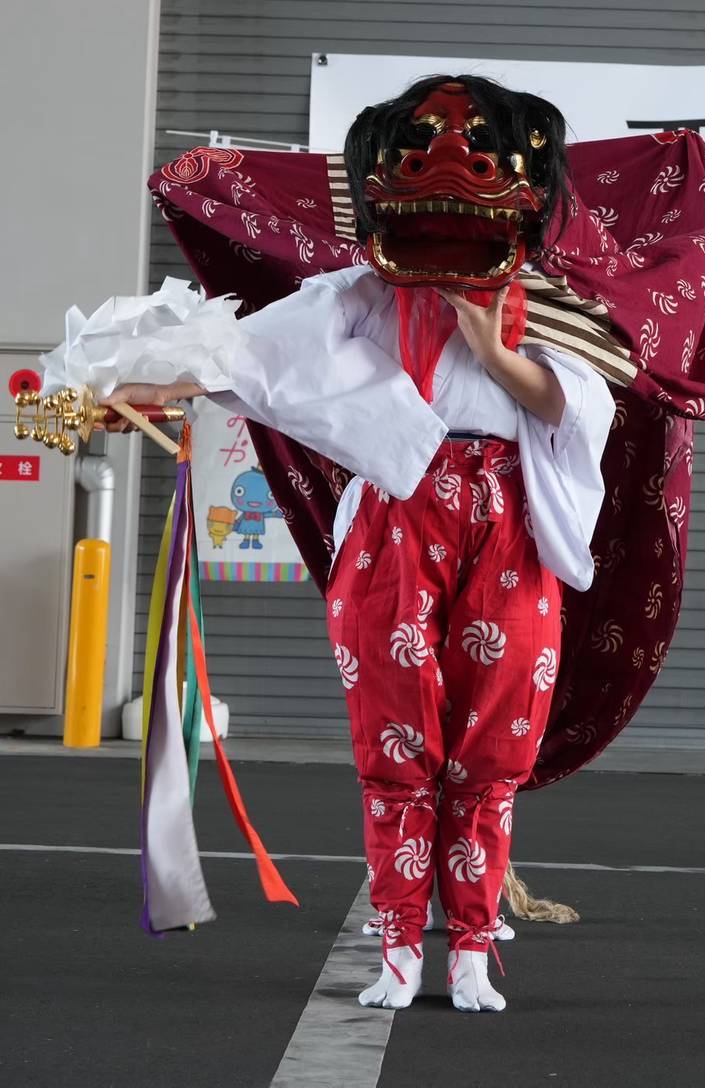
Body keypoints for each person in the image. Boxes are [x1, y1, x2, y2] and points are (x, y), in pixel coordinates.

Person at [89, 78, 615, 1012]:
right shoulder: (360, 294)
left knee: (493, 743)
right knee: (395, 737)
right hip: (396, 517)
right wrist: (140, 387)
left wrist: (496, 355)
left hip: (510, 519)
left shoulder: (552, 301)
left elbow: (579, 409)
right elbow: (246, 355)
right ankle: (402, 946)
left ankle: (471, 950)